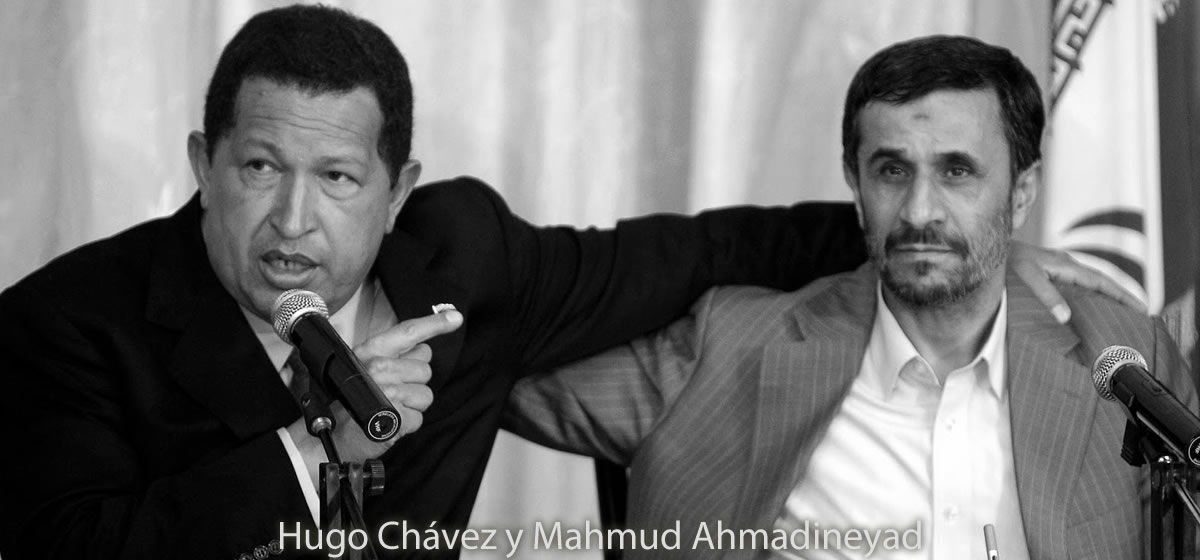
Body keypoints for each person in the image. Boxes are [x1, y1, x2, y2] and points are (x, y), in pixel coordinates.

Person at [0, 6, 1130, 560]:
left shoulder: (465, 266)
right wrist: (310, 450)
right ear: (203, 166)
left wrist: (941, 240)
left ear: (397, 192)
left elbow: (699, 252)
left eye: (337, 178)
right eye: (258, 169)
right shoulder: (62, 325)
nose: (292, 219)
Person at [506, 35, 1198, 560]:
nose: (920, 210)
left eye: (957, 172)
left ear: (1021, 193)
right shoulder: (731, 347)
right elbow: (498, 366)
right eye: (892, 170)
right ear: (855, 185)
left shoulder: (1123, 357)